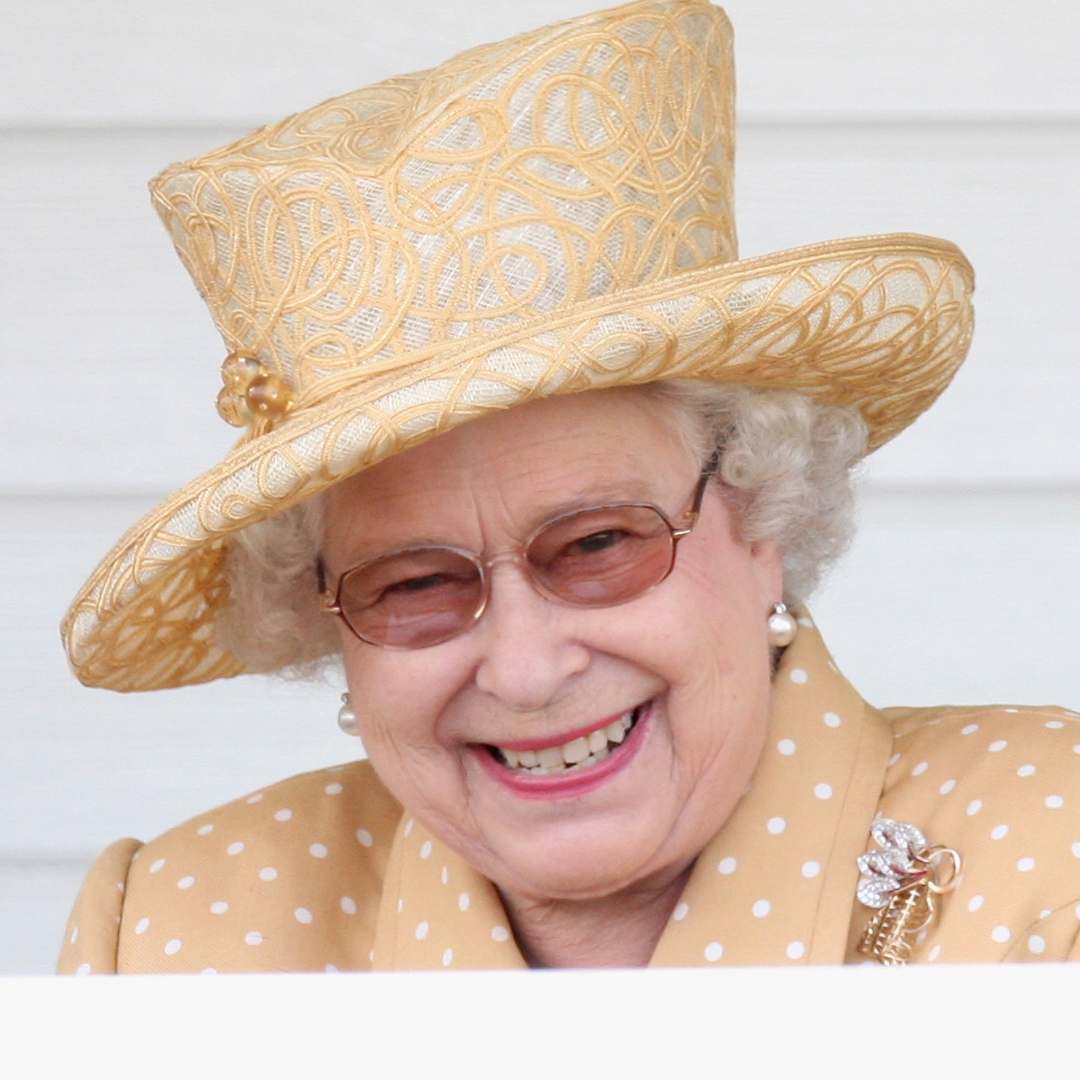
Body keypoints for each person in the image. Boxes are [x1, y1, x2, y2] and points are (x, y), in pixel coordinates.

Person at [56, 0, 1080, 975]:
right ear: (327, 621)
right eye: (411, 585)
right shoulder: (171, 933)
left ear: (764, 518)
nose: (526, 668)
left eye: (597, 546)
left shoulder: (1055, 858)